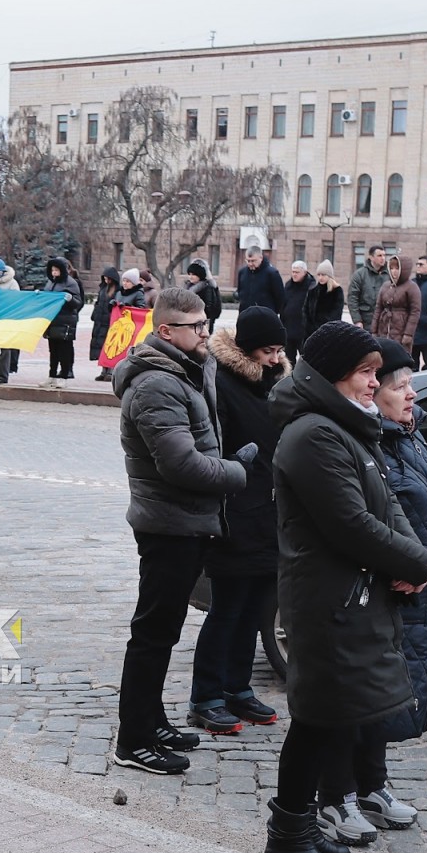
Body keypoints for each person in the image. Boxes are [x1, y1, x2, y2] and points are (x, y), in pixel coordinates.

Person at [266, 322, 427, 853]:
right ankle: (289, 835)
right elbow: (351, 523)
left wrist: (413, 560)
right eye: (366, 372)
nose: (373, 383)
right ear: (335, 375)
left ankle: (299, 830)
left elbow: (387, 507)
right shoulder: (313, 434)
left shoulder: (346, 427)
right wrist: (415, 563)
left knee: (331, 717)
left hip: (353, 597)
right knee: (314, 719)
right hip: (327, 602)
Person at [319, 339, 427, 847]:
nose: (410, 393)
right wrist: (406, 567)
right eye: (399, 386)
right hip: (378, 589)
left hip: (416, 586)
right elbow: (363, 524)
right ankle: (336, 794)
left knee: (386, 692)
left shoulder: (408, 438)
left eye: (407, 383)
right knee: (357, 695)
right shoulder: (360, 442)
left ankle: (370, 783)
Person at [112, 286, 252, 775]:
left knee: (164, 630)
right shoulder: (157, 384)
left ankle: (152, 721)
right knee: (152, 634)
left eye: (206, 322)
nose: (206, 332)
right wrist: (236, 472)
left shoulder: (189, 368)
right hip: (168, 524)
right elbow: (181, 464)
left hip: (187, 521)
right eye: (196, 326)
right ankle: (133, 741)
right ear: (166, 331)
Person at [188, 307, 286, 736]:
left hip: (270, 514)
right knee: (227, 609)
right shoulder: (221, 383)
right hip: (233, 514)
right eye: (268, 350)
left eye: (280, 350)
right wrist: (235, 469)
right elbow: (210, 448)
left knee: (254, 609)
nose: (275, 358)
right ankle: (206, 696)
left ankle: (238, 688)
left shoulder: (277, 386)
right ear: (247, 349)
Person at [42, 256, 83, 381]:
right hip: (52, 321)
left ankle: (64, 376)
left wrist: (70, 299)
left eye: (56, 270)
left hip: (65, 322)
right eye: (52, 270)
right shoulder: (50, 283)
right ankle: (52, 376)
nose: (54, 273)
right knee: (53, 351)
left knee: (64, 350)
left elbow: (78, 302)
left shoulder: (71, 283)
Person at [369, 253, 420, 347]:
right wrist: (374, 330)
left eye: (397, 268)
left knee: (400, 353)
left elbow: (415, 311)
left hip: (401, 330)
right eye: (391, 268)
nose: (394, 271)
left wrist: (408, 333)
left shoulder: (411, 287)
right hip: (383, 328)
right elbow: (378, 308)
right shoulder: (385, 286)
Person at [89, 268, 121, 382]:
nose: (106, 281)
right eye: (105, 278)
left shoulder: (117, 291)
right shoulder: (102, 289)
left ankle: (110, 371)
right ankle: (103, 371)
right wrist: (95, 315)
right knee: (102, 347)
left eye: (108, 279)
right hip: (100, 322)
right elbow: (98, 303)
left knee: (111, 347)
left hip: (111, 323)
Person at [280, 260, 314, 364]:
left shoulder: (312, 287)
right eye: (293, 272)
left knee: (306, 360)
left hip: (304, 331)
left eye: (297, 272)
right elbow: (283, 305)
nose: (294, 274)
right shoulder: (288, 285)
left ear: (305, 272)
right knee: (289, 361)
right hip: (289, 329)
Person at [236, 246, 284, 315]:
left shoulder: (272, 273)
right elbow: (240, 291)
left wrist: (272, 313)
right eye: (248, 261)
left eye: (253, 261)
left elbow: (280, 297)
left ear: (261, 258)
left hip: (266, 316)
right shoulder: (242, 272)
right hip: (245, 315)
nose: (250, 264)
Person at [346, 247, 387, 327]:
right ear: (371, 257)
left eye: (384, 255)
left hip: (384, 323)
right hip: (366, 321)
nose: (383, 258)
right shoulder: (360, 275)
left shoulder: (389, 275)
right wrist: (357, 320)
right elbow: (352, 298)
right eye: (379, 255)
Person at [182, 259, 223, 326]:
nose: (190, 277)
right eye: (189, 274)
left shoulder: (207, 288)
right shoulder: (187, 287)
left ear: (200, 275)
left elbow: (209, 308)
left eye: (193, 274)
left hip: (203, 321)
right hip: (189, 320)